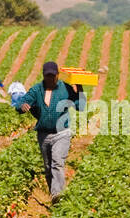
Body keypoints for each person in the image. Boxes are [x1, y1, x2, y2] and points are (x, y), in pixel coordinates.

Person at [18, 60, 86, 202]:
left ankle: (57, 195)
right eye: (47, 76)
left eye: (53, 76)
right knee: (48, 167)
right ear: (43, 75)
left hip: (62, 133)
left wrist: (79, 88)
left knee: (57, 163)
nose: (50, 78)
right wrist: (22, 106)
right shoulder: (37, 90)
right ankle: (53, 193)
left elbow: (81, 106)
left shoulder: (65, 89)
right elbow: (22, 101)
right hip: (43, 134)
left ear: (58, 75)